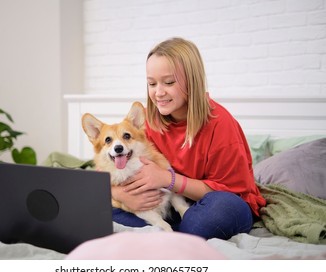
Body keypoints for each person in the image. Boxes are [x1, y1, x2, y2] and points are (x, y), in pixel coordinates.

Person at [111, 37, 266, 240]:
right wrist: (122, 196)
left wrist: (168, 179)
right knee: (98, 208)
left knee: (213, 215)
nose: (158, 92)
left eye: (169, 82)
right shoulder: (146, 121)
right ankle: (171, 227)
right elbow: (106, 171)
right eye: (151, 83)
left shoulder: (220, 123)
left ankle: (173, 229)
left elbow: (232, 192)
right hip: (171, 203)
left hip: (218, 203)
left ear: (192, 81)